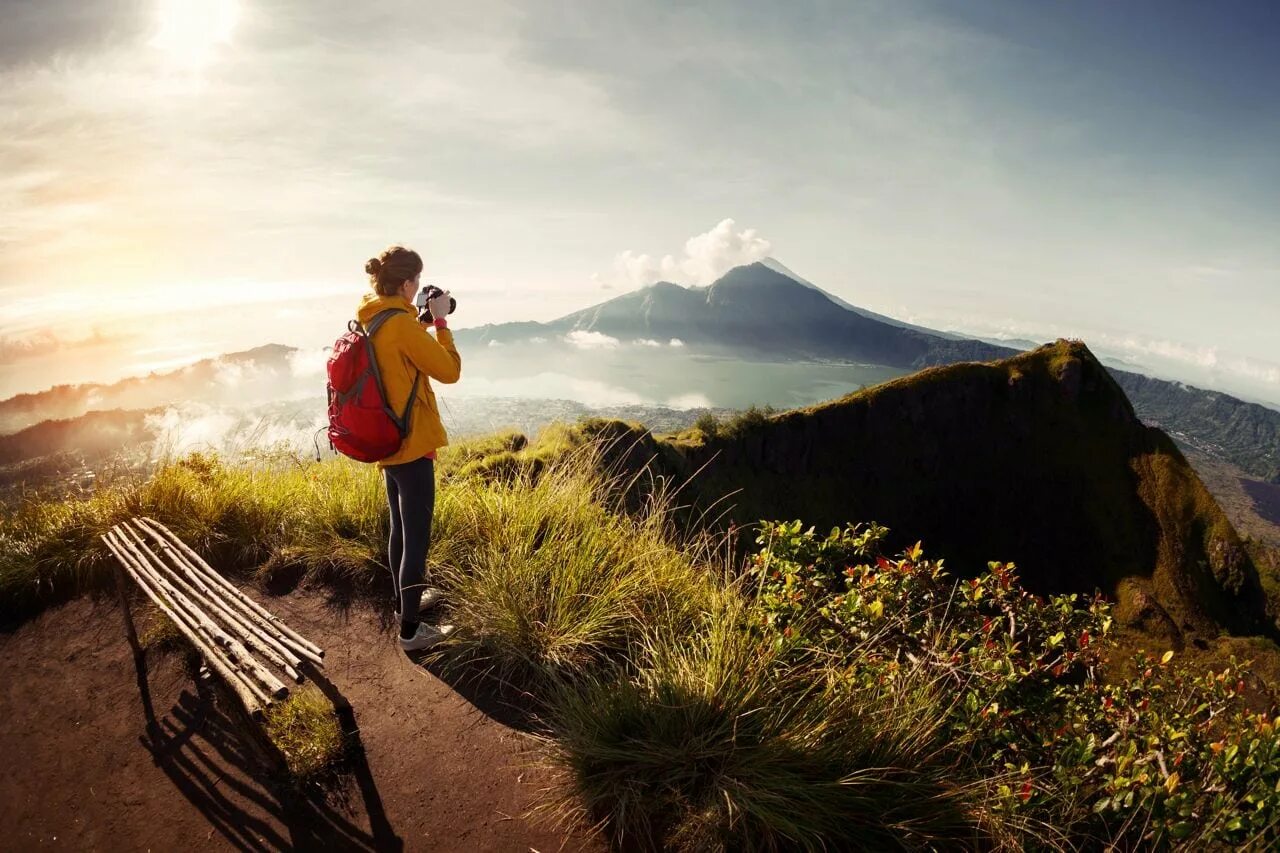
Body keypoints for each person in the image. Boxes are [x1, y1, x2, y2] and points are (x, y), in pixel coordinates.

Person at [358, 245, 461, 652]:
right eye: (416, 281)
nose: (419, 286)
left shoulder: (377, 317)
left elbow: (399, 351)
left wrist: (417, 319)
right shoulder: (398, 324)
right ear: (405, 283)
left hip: (389, 441)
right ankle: (411, 633)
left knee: (400, 530)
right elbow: (449, 371)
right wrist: (439, 321)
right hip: (412, 442)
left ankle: (405, 605)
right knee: (416, 537)